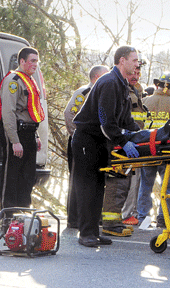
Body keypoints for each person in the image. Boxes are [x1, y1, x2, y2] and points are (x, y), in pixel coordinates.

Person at [71, 45, 141, 247]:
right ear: (122, 61)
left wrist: (140, 135)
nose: (137, 64)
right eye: (134, 60)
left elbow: (126, 119)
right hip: (87, 140)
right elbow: (107, 122)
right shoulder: (110, 83)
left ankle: (94, 230)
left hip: (100, 141)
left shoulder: (122, 85)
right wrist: (124, 141)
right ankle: (85, 233)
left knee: (98, 188)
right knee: (87, 188)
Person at [138, 72, 170, 228]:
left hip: (147, 150)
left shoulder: (144, 101)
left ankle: (143, 219)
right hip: (168, 152)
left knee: (145, 185)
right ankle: (163, 218)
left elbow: (138, 126)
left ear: (157, 86)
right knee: (167, 186)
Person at [0, 47, 45, 209]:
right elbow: (8, 113)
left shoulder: (29, 80)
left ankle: (23, 209)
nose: (35, 65)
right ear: (22, 61)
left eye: (37, 61)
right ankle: (8, 211)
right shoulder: (13, 80)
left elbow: (31, 110)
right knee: (12, 174)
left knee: (28, 175)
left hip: (29, 131)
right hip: (16, 132)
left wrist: (36, 136)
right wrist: (14, 141)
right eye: (32, 61)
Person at [102, 63, 146, 237]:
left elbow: (128, 119)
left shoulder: (132, 90)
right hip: (118, 143)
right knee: (116, 184)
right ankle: (110, 224)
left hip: (126, 142)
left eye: (138, 72)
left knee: (123, 184)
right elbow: (111, 120)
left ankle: (115, 221)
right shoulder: (118, 88)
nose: (135, 75)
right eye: (133, 71)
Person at [64, 65, 109, 228]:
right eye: (105, 75)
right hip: (80, 141)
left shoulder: (103, 92)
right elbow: (69, 114)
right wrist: (77, 135)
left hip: (95, 143)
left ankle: (92, 218)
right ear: (96, 77)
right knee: (78, 180)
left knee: (93, 181)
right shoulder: (83, 92)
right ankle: (74, 218)